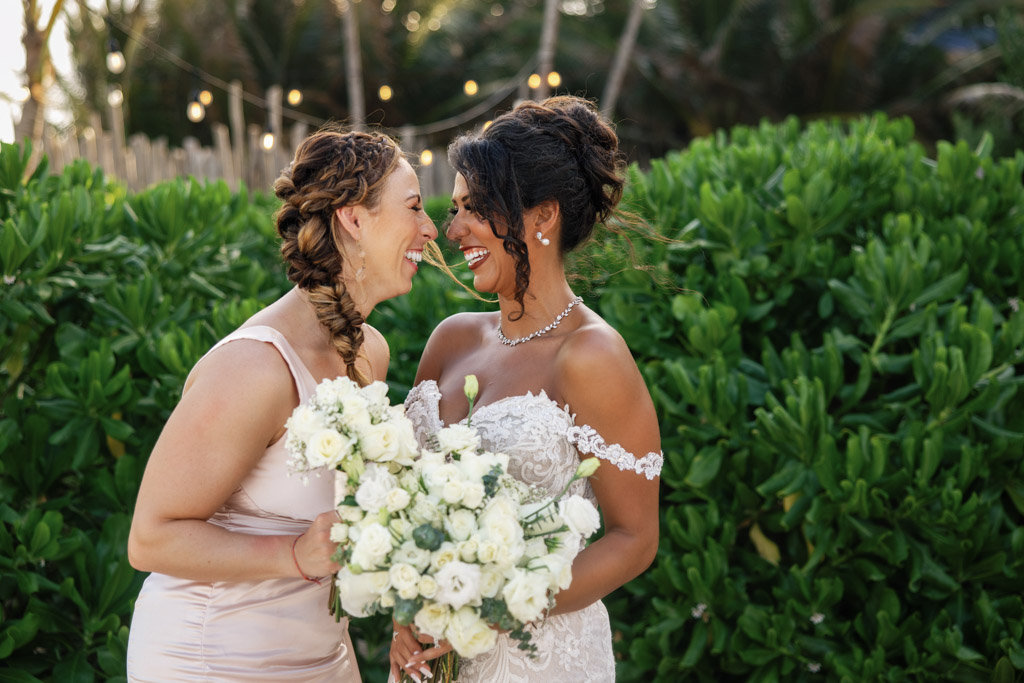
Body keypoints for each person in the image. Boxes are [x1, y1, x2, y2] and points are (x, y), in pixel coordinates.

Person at [126, 128, 437, 682]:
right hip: (214, 656)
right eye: (414, 208)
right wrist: (293, 555)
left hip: (321, 658)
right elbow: (151, 536)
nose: (430, 229)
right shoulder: (254, 367)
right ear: (354, 219)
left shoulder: (372, 355)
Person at [390, 96, 662, 683]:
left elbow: (634, 539)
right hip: (429, 661)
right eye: (456, 207)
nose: (454, 228)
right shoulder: (450, 341)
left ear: (542, 216)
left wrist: (496, 610)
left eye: (475, 208)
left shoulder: (591, 356)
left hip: (540, 659)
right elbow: (405, 501)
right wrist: (405, 613)